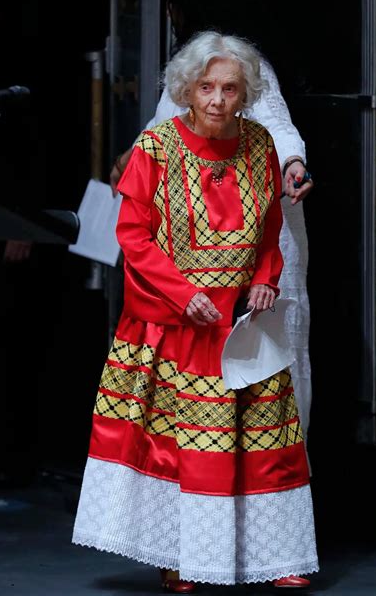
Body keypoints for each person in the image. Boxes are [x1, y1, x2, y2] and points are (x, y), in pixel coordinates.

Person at [72, 31, 318, 592]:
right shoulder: (155, 148)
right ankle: (178, 553)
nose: (216, 100)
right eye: (206, 87)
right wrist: (185, 294)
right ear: (186, 89)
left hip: (241, 329)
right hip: (176, 325)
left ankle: (277, 556)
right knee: (178, 447)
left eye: (229, 89)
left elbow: (270, 230)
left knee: (264, 443)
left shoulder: (258, 145)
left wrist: (263, 281)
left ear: (244, 94)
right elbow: (132, 236)